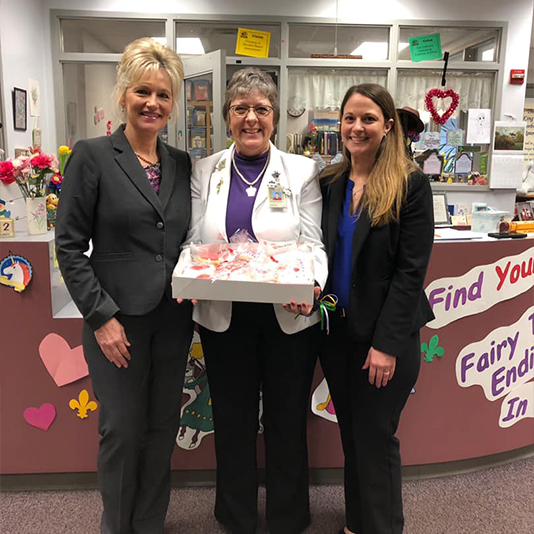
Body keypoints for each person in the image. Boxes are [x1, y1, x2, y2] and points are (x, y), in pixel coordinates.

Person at [55, 38, 194, 534]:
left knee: (161, 430)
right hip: (116, 320)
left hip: (173, 319)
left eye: (163, 94)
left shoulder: (181, 163)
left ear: (173, 103)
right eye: (142, 91)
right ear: (124, 96)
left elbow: (187, 241)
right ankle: (117, 526)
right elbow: (69, 248)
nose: (152, 103)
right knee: (120, 430)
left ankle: (150, 522)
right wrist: (100, 317)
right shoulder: (92, 157)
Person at [183, 67, 327, 534]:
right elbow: (192, 242)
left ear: (273, 117)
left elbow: (314, 244)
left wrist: (313, 287)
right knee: (233, 420)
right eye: (241, 108)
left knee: (287, 421)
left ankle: (289, 517)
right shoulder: (204, 170)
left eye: (261, 109)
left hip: (288, 318)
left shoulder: (302, 170)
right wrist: (188, 279)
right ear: (227, 116)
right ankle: (236, 515)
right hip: (224, 318)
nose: (251, 118)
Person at [319, 84, 435, 534]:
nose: (357, 127)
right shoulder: (330, 182)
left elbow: (411, 273)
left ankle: (383, 526)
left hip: (385, 340)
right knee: (352, 435)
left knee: (375, 439)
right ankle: (357, 522)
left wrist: (386, 345)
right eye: (350, 118)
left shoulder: (410, 185)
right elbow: (319, 253)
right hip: (337, 335)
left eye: (368, 119)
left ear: (388, 126)